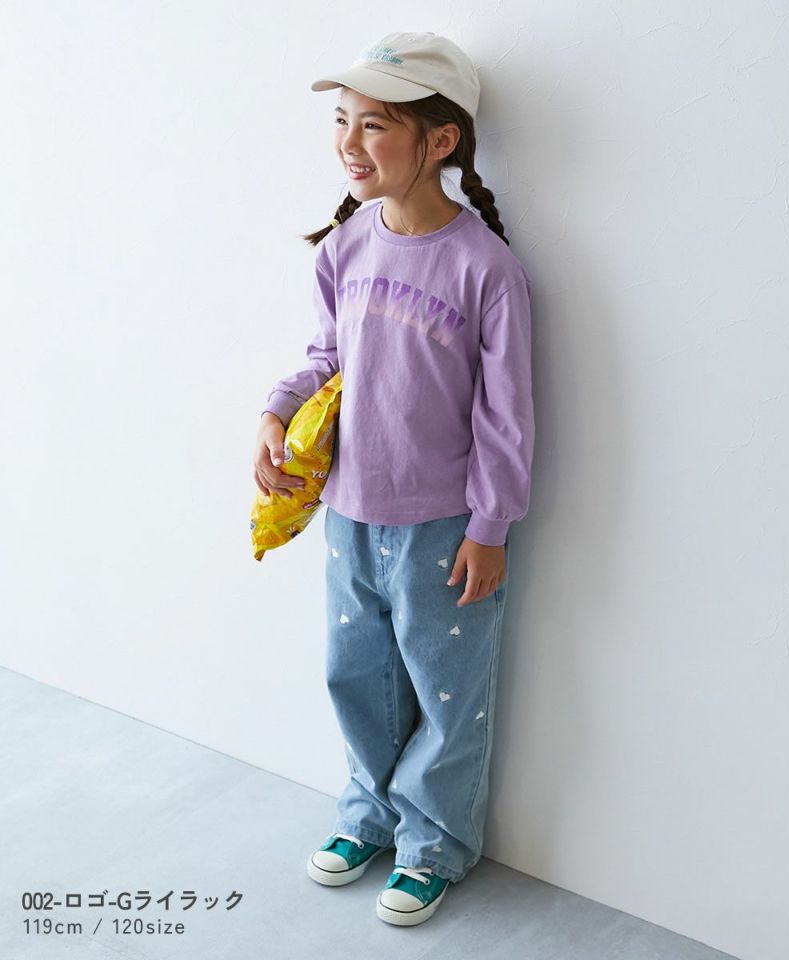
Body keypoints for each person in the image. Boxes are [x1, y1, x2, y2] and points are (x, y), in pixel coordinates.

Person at [253, 31, 535, 927]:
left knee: (448, 692)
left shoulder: (486, 269)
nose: (349, 142)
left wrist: (490, 526)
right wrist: (276, 411)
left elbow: (506, 415)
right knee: (357, 673)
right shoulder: (343, 248)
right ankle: (369, 814)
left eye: (374, 125)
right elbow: (325, 359)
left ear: (440, 139)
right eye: (343, 120)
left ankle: (434, 844)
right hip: (349, 511)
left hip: (444, 526)